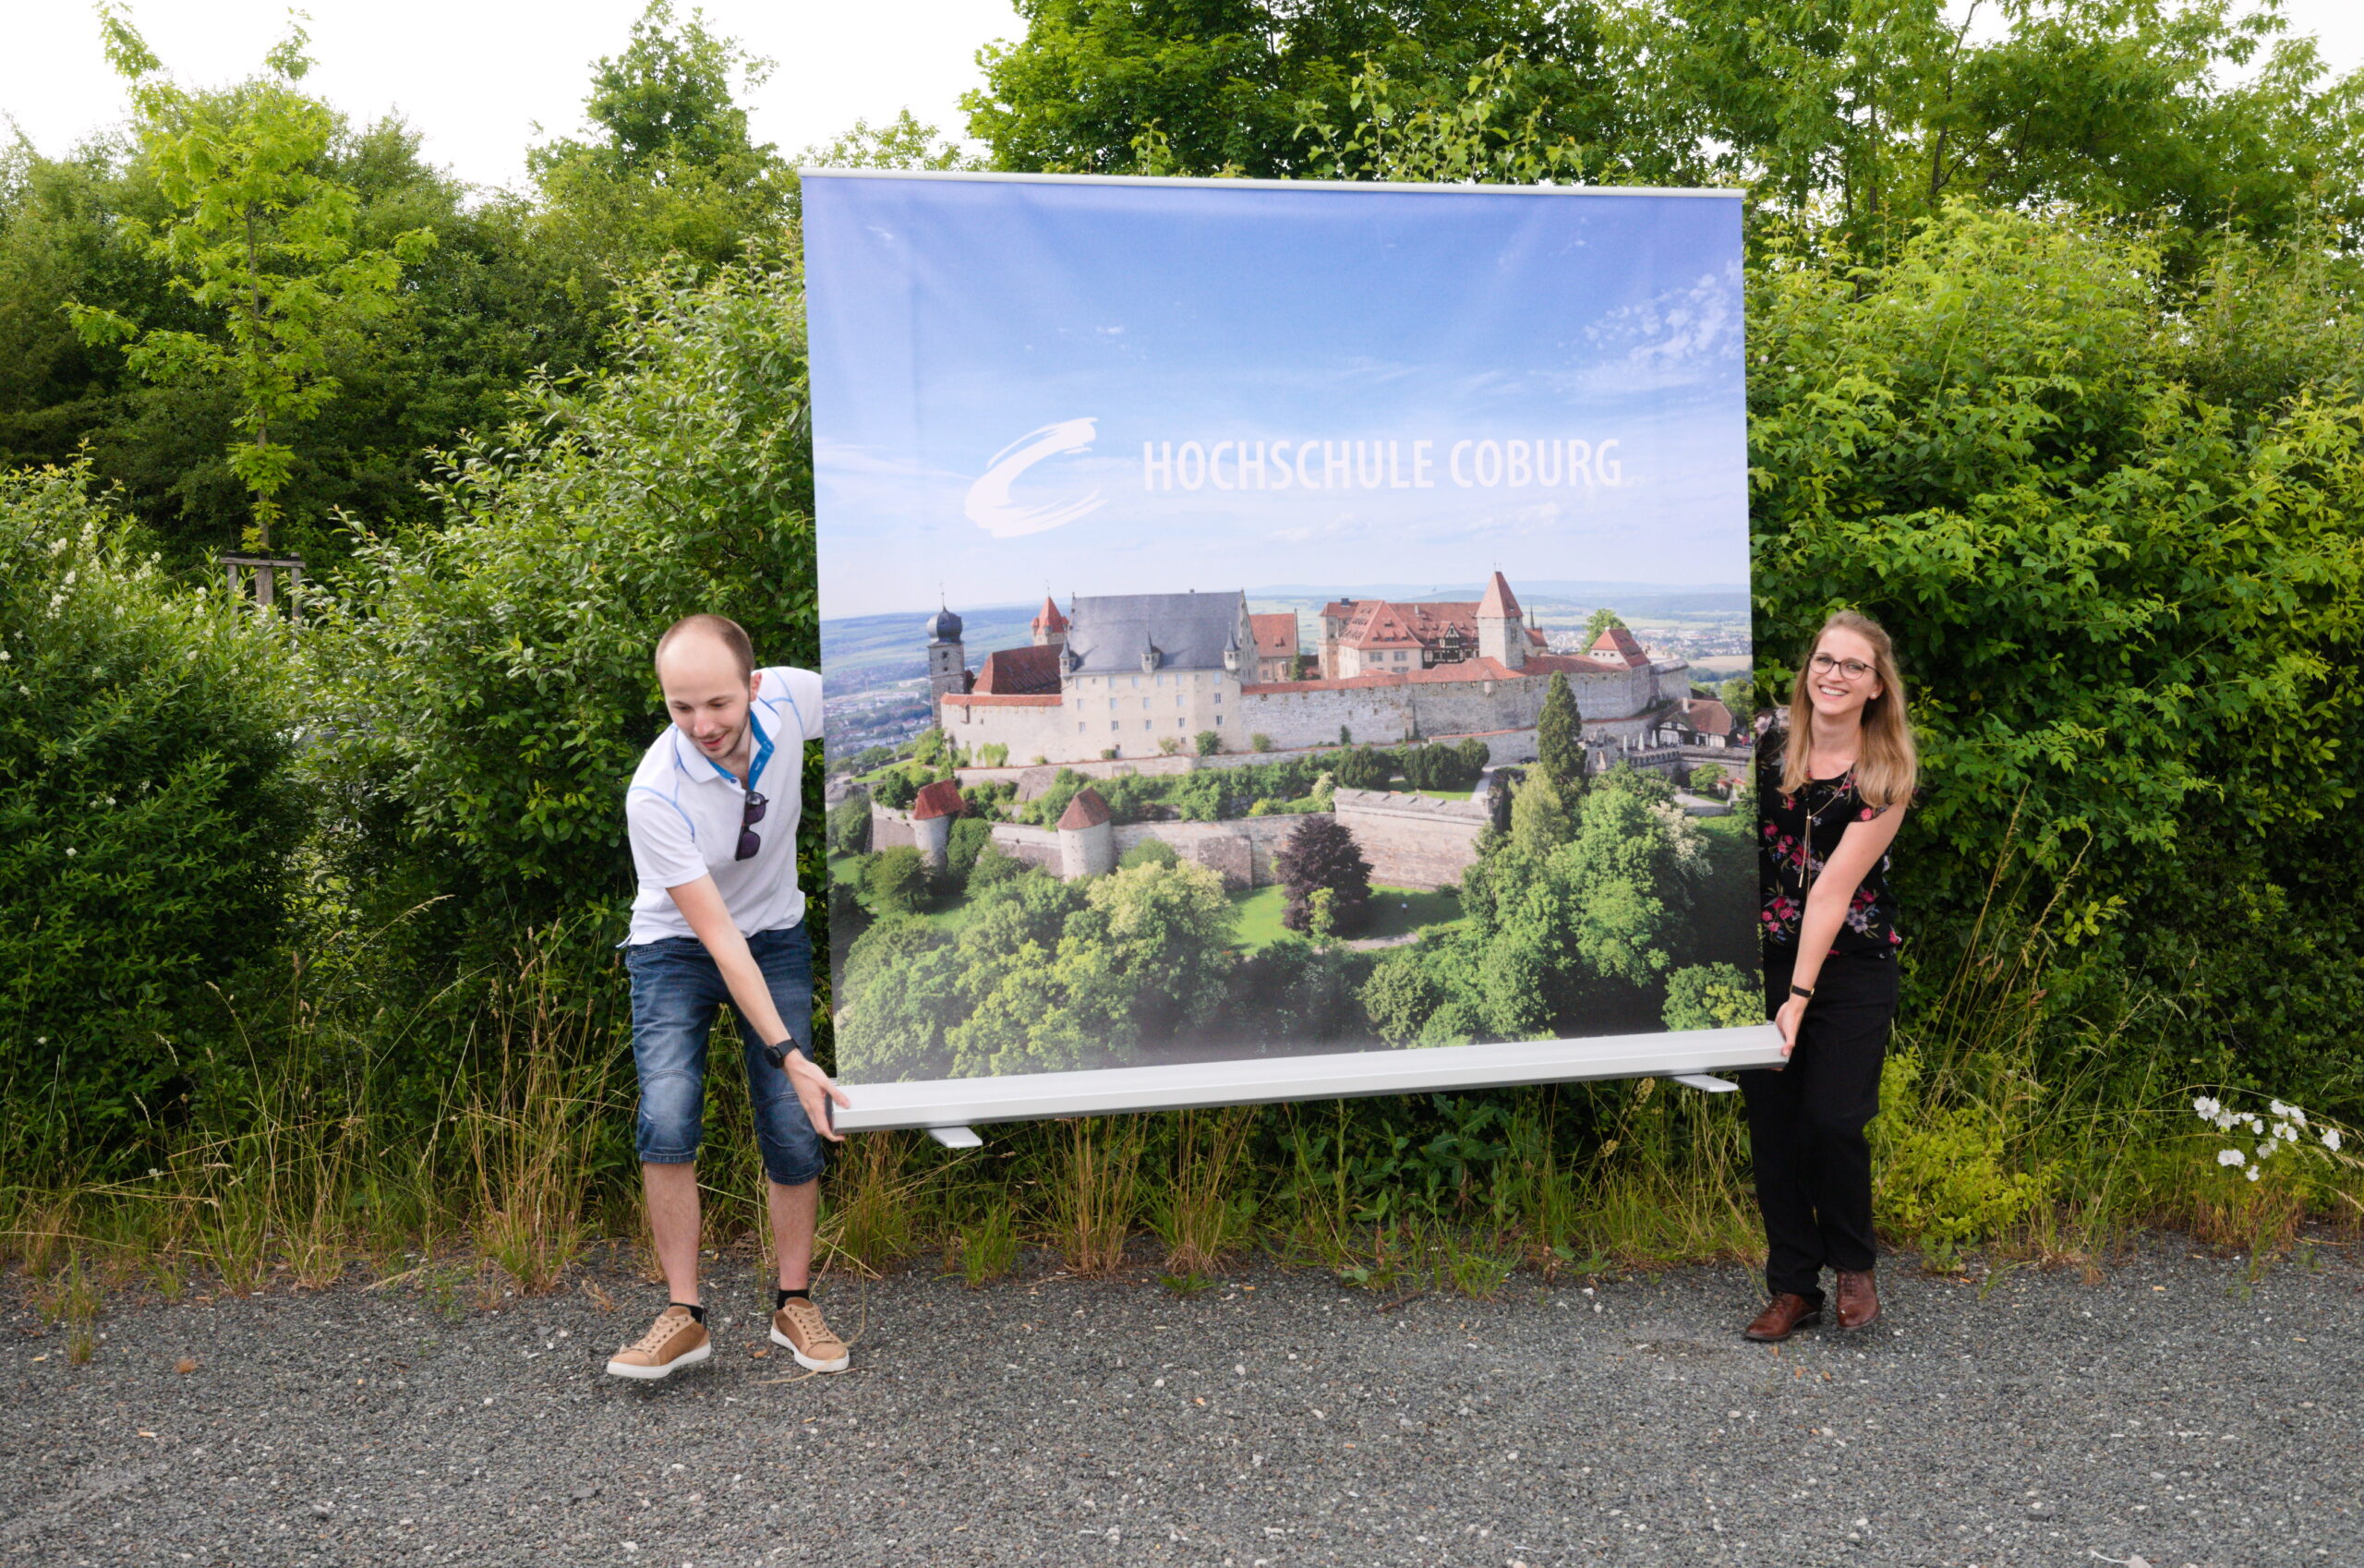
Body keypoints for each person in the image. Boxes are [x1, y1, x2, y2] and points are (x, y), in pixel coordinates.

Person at [605, 614, 854, 1381]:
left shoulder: (790, 700)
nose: (702, 725)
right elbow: (717, 938)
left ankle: (793, 1303)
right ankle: (685, 1315)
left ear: (752, 686)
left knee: (790, 1119)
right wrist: (791, 1053)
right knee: (669, 1112)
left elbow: (887, 710)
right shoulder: (654, 793)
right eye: (681, 708)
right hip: (678, 946)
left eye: (716, 703)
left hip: (775, 933)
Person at [1739, 609, 1916, 1343]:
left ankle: (1853, 1263)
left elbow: (1832, 891)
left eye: (1852, 666)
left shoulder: (1887, 773)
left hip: (1851, 964)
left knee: (1835, 1120)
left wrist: (1800, 997)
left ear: (1877, 687)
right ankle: (1793, 1285)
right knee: (1774, 1130)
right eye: (1823, 660)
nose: (1833, 675)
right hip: (1762, 958)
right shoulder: (1763, 739)